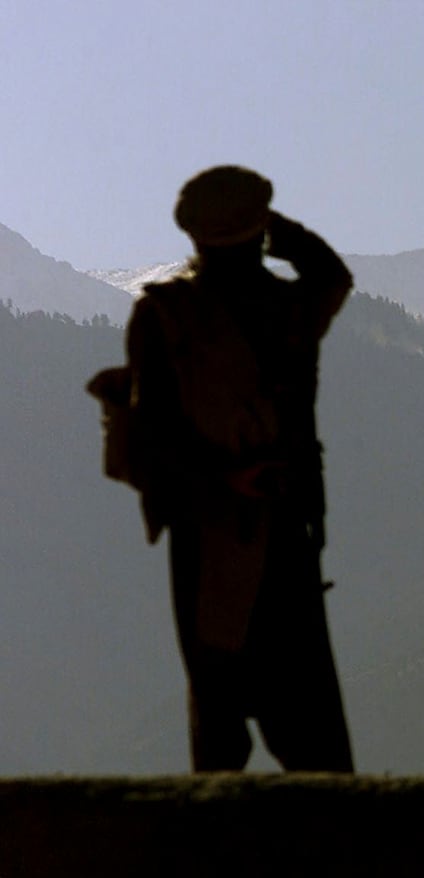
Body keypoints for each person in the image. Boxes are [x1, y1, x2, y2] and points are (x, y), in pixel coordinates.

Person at [121, 165, 354, 772]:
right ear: (260, 230)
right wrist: (275, 225)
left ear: (194, 237)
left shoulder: (164, 317)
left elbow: (147, 443)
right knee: (311, 730)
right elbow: (332, 273)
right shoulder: (291, 310)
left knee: (219, 717)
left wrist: (219, 481)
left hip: (206, 534)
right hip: (282, 530)